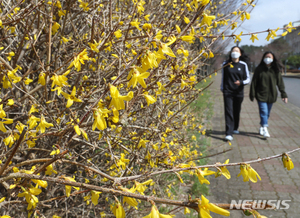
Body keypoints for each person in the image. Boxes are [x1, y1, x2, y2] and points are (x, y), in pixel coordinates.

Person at [250, 51, 288, 138]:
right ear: (263, 58)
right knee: (264, 112)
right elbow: (254, 82)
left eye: (270, 57)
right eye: (266, 57)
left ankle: (261, 126)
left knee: (267, 114)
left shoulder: (276, 70)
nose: (268, 59)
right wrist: (252, 94)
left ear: (273, 59)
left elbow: (280, 84)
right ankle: (265, 128)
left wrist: (284, 95)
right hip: (260, 95)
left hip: (271, 95)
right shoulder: (259, 69)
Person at [221, 46, 250, 141]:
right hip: (228, 91)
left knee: (236, 111)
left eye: (237, 51)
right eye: (233, 51)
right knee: (228, 111)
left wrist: (241, 82)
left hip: (238, 92)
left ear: (240, 54)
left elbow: (248, 79)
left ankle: (235, 128)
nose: (235, 52)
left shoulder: (243, 65)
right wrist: (222, 88)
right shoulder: (225, 64)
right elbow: (223, 77)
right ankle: (228, 133)